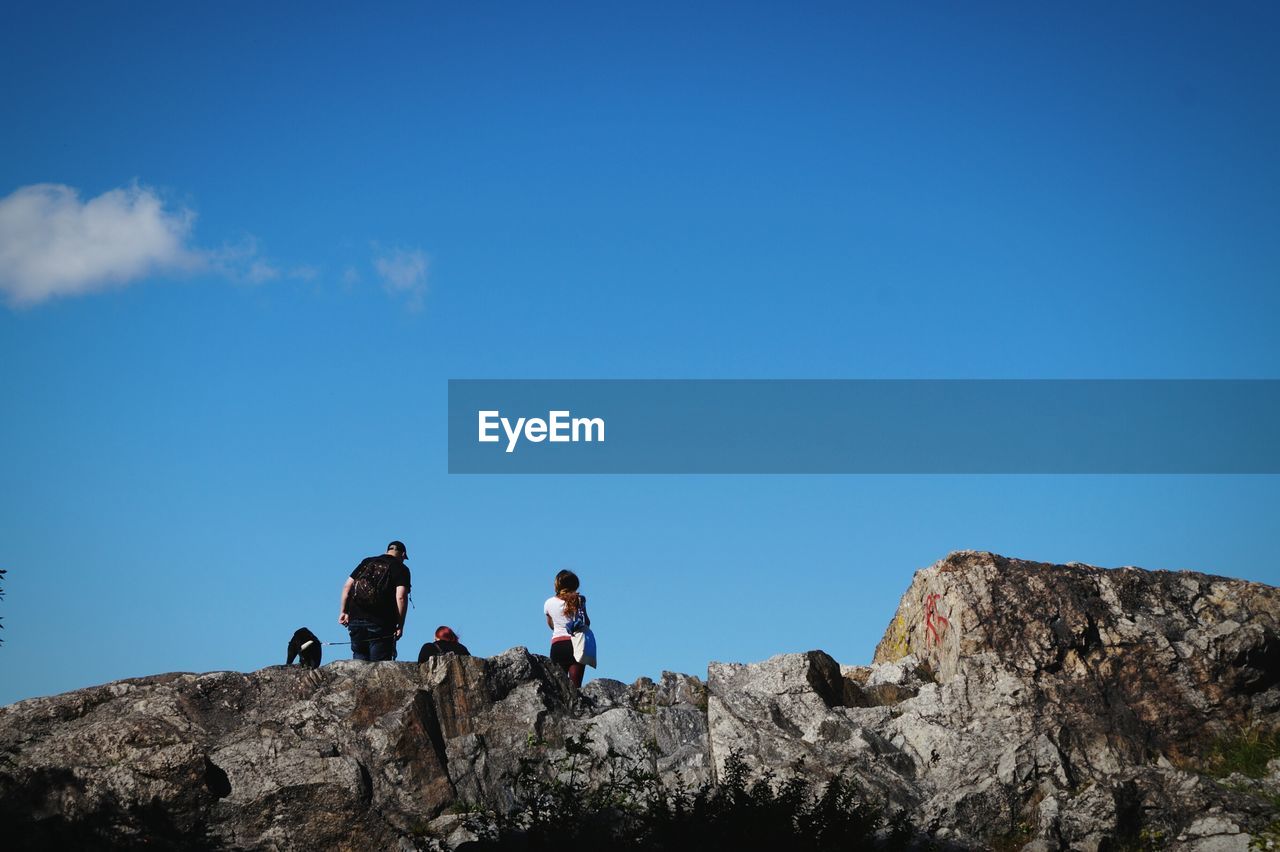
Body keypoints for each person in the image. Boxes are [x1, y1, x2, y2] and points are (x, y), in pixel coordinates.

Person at [339, 540, 411, 661]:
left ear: (386, 551)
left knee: (358, 666)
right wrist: (400, 624)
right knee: (379, 668)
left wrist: (344, 612)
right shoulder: (401, 568)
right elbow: (401, 597)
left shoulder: (367, 562)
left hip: (356, 620)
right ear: (403, 555)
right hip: (381, 623)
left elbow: (347, 586)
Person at [544, 569, 589, 687]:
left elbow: (551, 625)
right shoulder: (579, 600)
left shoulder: (548, 603)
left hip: (558, 646)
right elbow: (587, 622)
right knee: (576, 687)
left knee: (559, 688)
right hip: (576, 644)